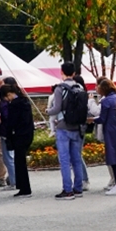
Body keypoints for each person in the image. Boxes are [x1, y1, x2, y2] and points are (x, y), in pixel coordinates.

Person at [46, 62, 89, 200]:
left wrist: (48, 111)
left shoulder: (60, 88)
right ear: (74, 73)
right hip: (77, 127)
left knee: (65, 160)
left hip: (63, 127)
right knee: (76, 158)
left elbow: (57, 108)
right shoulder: (80, 87)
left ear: (62, 72)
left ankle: (67, 190)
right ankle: (78, 188)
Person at [0, 78, 35, 198]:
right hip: (27, 134)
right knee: (20, 161)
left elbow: (11, 122)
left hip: (18, 135)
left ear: (9, 94)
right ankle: (24, 187)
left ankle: (24, 188)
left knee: (19, 162)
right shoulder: (25, 101)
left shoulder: (14, 105)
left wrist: (9, 134)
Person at [93, 78, 116, 196]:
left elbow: (102, 118)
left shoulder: (106, 101)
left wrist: (91, 120)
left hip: (110, 131)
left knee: (113, 157)